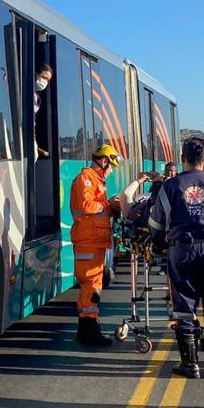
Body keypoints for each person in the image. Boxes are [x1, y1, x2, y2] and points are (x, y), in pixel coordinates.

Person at [148, 136, 204, 378]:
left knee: (184, 307)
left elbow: (156, 224)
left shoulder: (169, 187)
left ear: (182, 158)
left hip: (180, 250)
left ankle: (190, 364)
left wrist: (158, 246)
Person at [70, 142, 122, 346]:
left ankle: (88, 328)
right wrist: (108, 204)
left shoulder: (95, 180)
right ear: (103, 161)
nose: (111, 172)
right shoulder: (86, 178)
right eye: (111, 167)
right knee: (90, 286)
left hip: (93, 242)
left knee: (93, 286)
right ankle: (88, 331)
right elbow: (86, 206)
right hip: (87, 241)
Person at [33, 64, 53, 157]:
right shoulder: (26, 89)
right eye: (44, 77)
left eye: (47, 80)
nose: (45, 82)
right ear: (36, 74)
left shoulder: (36, 97)